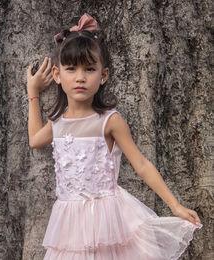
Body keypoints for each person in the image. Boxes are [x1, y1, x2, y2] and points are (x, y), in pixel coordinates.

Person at [26, 13, 202, 260]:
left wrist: (175, 206)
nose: (80, 77)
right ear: (57, 75)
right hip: (69, 225)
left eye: (89, 69)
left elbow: (141, 164)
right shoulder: (58, 123)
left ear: (104, 75)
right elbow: (34, 140)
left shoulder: (109, 121)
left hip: (108, 220)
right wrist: (33, 94)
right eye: (71, 69)